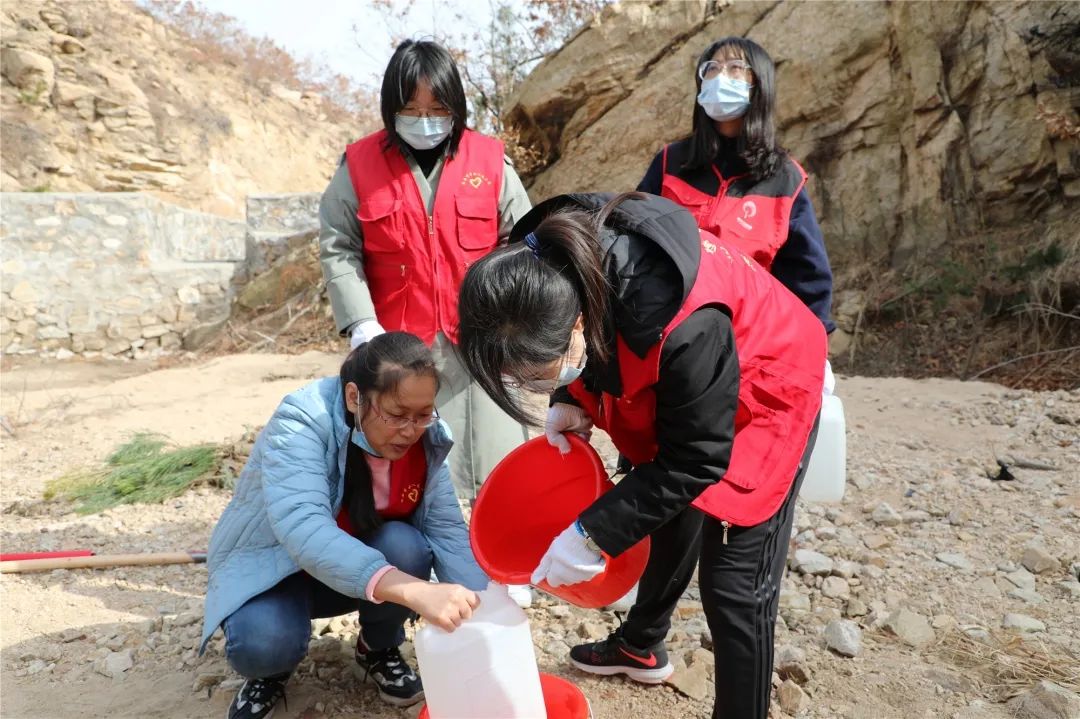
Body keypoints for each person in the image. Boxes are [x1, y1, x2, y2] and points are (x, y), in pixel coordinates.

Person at [456, 192, 827, 719]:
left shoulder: (684, 324)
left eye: (539, 374)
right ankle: (641, 644)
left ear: (577, 324)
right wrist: (569, 395)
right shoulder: (541, 268)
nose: (532, 386)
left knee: (733, 584)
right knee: (661, 509)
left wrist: (593, 533)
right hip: (683, 370)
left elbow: (696, 459)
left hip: (766, 379)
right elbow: (584, 351)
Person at [200, 333, 488, 719]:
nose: (410, 429)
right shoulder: (302, 421)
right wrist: (417, 591)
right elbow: (304, 529)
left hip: (354, 574)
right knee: (265, 642)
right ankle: (271, 672)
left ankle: (378, 648)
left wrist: (483, 610)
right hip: (279, 570)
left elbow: (445, 529)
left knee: (407, 546)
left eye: (423, 414)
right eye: (396, 414)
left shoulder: (426, 437)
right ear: (355, 398)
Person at [318, 39, 531, 507]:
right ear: (390, 109)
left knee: (497, 469)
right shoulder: (359, 165)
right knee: (401, 478)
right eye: (411, 110)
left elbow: (525, 244)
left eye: (437, 109)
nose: (425, 120)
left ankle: (493, 551)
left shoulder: (490, 161)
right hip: (397, 348)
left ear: (456, 106)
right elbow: (339, 247)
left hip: (479, 345)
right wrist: (361, 323)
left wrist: (513, 320)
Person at [638, 36, 835, 340]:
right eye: (712, 68)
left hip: (744, 338)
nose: (720, 76)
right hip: (664, 329)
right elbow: (635, 236)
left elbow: (808, 278)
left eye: (735, 67)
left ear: (760, 84)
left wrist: (814, 341)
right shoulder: (671, 162)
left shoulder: (785, 179)